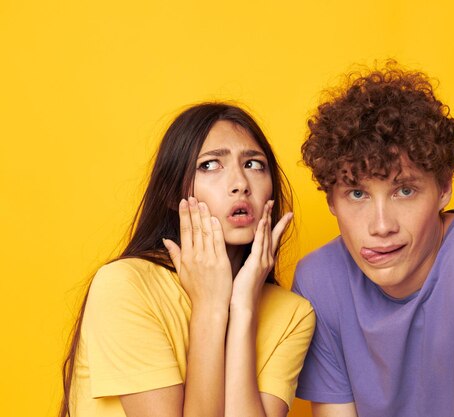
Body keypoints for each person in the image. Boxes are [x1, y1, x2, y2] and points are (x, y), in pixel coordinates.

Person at [292, 62, 454, 417]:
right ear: (331, 201)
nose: (381, 225)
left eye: (404, 190)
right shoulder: (319, 280)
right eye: (357, 194)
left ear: (444, 188)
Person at [60, 103, 315, 417]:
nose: (240, 184)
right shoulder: (127, 286)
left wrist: (243, 308)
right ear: (172, 193)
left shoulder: (293, 315)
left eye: (253, 164)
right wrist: (209, 307)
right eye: (209, 165)